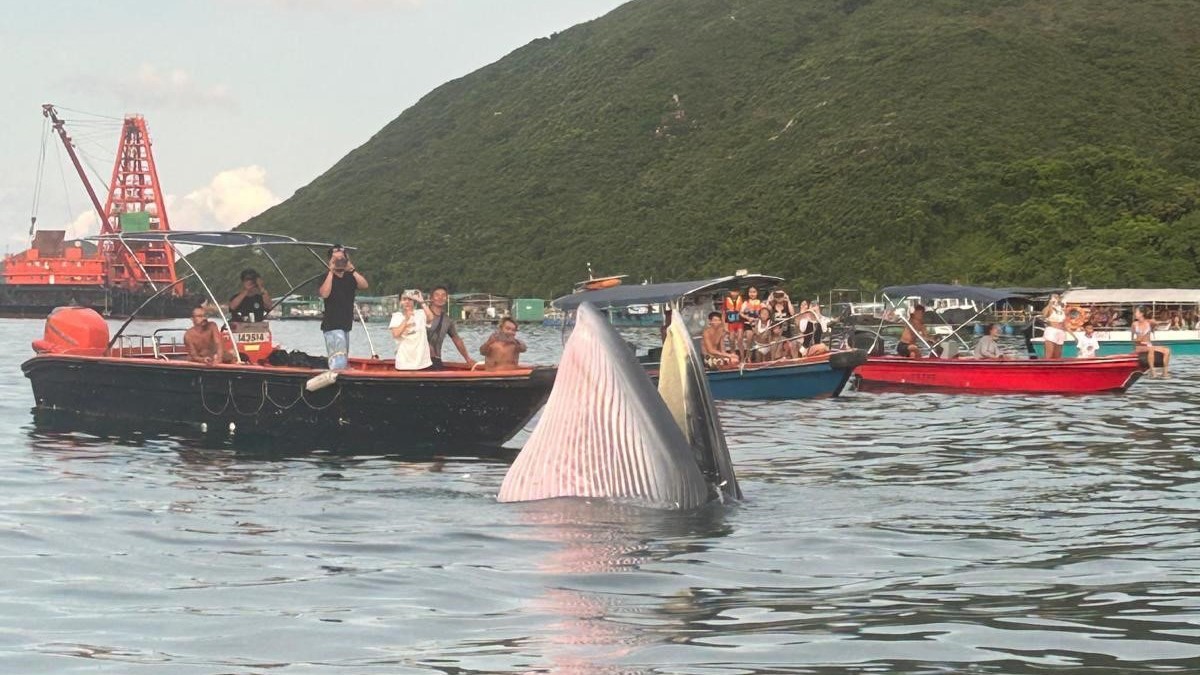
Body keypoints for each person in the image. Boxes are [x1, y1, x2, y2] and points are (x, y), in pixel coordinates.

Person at [318, 244, 368, 370]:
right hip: (332, 326)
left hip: (346, 324)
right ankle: (337, 376)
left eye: (342, 259)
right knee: (339, 362)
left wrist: (352, 269)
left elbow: (364, 285)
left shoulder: (350, 277)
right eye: (336, 259)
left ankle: (340, 374)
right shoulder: (326, 277)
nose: (339, 262)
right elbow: (324, 294)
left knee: (343, 358)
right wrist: (331, 271)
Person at [425, 286, 476, 369]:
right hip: (420, 360)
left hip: (436, 360)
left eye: (443, 295)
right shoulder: (422, 315)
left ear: (446, 298)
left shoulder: (447, 320)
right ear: (431, 298)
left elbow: (457, 339)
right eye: (437, 295)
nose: (440, 297)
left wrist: (467, 358)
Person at [390, 290, 432, 370]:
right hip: (403, 363)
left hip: (422, 363)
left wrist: (422, 301)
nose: (407, 302)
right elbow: (395, 334)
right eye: (404, 299)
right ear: (400, 302)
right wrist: (406, 319)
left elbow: (431, 318)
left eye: (410, 299)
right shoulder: (396, 316)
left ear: (414, 301)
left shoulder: (421, 313)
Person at [1132, 306, 1171, 377]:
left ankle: (1165, 373)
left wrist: (1162, 322)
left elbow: (1157, 323)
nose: (1135, 314)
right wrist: (1137, 340)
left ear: (1141, 314)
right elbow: (1132, 339)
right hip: (1139, 346)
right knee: (1151, 349)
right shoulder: (1134, 324)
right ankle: (1153, 372)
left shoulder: (1149, 322)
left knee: (1167, 350)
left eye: (1136, 312)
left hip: (1148, 345)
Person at [1041, 293, 1067, 359]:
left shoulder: (1061, 309)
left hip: (1061, 332)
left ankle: (1057, 365)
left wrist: (1073, 336)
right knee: (1049, 355)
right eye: (1054, 297)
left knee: (1058, 355)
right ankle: (1046, 365)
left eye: (1057, 297)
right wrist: (1050, 304)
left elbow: (1064, 323)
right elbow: (1044, 315)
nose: (1056, 298)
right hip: (1052, 331)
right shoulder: (1050, 308)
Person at [723, 289, 746, 361]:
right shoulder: (726, 301)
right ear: (730, 292)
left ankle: (742, 358)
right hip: (731, 323)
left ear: (739, 292)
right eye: (733, 291)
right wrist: (725, 326)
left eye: (736, 291)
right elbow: (723, 314)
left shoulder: (742, 300)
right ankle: (733, 356)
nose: (734, 293)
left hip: (739, 322)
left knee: (740, 339)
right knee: (731, 339)